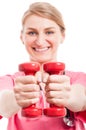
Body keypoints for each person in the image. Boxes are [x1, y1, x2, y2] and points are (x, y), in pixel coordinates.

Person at [0, 2, 86, 130]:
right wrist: (15, 99)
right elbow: (3, 102)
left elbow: (82, 97)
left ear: (62, 35)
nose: (40, 42)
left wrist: (70, 96)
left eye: (49, 32)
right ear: (21, 37)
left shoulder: (78, 79)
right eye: (32, 33)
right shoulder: (11, 82)